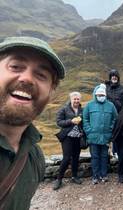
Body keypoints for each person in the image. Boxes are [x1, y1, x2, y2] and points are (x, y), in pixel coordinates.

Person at [0, 36, 65, 210]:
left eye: (41, 75)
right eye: (15, 66)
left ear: (51, 91)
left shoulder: (34, 158)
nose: (27, 79)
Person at [83, 84, 118, 184]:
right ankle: (95, 176)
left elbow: (115, 118)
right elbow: (85, 119)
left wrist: (110, 129)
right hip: (93, 137)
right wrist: (89, 131)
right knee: (95, 157)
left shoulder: (110, 105)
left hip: (106, 137)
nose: (101, 97)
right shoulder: (89, 105)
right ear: (96, 95)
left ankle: (104, 175)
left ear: (105, 96)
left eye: (102, 95)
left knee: (104, 156)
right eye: (99, 95)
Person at [53, 92, 84, 190]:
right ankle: (59, 179)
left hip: (78, 137)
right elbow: (59, 122)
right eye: (74, 99)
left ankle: (74, 176)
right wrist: (71, 121)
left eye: (78, 99)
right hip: (67, 137)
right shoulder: (64, 109)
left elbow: (85, 121)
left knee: (76, 157)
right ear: (71, 99)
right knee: (66, 158)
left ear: (80, 100)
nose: (76, 101)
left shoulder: (82, 110)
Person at [105, 69, 123, 159]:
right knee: (107, 133)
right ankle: (107, 153)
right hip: (107, 115)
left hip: (119, 115)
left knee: (118, 133)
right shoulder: (105, 88)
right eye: (112, 76)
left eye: (115, 76)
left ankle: (116, 151)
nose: (114, 77)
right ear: (110, 77)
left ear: (118, 78)